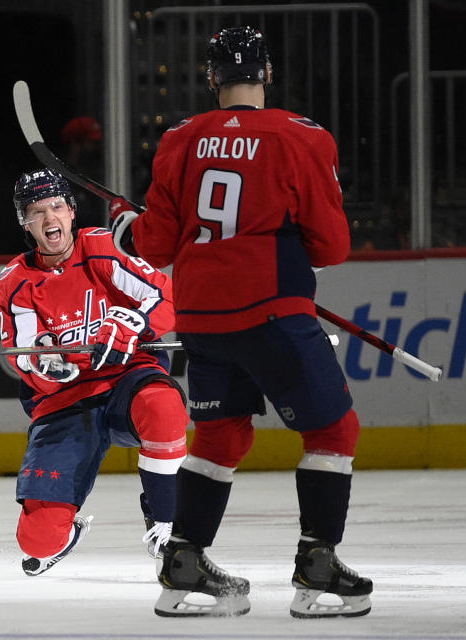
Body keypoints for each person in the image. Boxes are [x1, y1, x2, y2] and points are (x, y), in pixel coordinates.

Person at [109, 26, 372, 618]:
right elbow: (331, 247)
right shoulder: (302, 138)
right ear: (267, 76)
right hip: (272, 312)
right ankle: (317, 571)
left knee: (222, 438)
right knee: (335, 432)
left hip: (201, 318)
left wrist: (129, 223)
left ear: (211, 80)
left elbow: (153, 246)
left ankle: (183, 568)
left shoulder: (179, 140)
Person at [0, 169, 188, 576]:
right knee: (38, 542)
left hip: (126, 379)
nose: (49, 220)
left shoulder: (100, 247)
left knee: (165, 407)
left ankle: (166, 520)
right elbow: (22, 351)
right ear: (23, 222)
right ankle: (64, 531)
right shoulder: (13, 283)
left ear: (72, 211)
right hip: (64, 401)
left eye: (57, 207)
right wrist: (44, 360)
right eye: (36, 211)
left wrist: (136, 322)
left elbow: (165, 297)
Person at [60, 116, 105, 229]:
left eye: (98, 143)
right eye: (91, 143)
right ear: (75, 144)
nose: (97, 149)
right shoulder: (60, 180)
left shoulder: (99, 177)